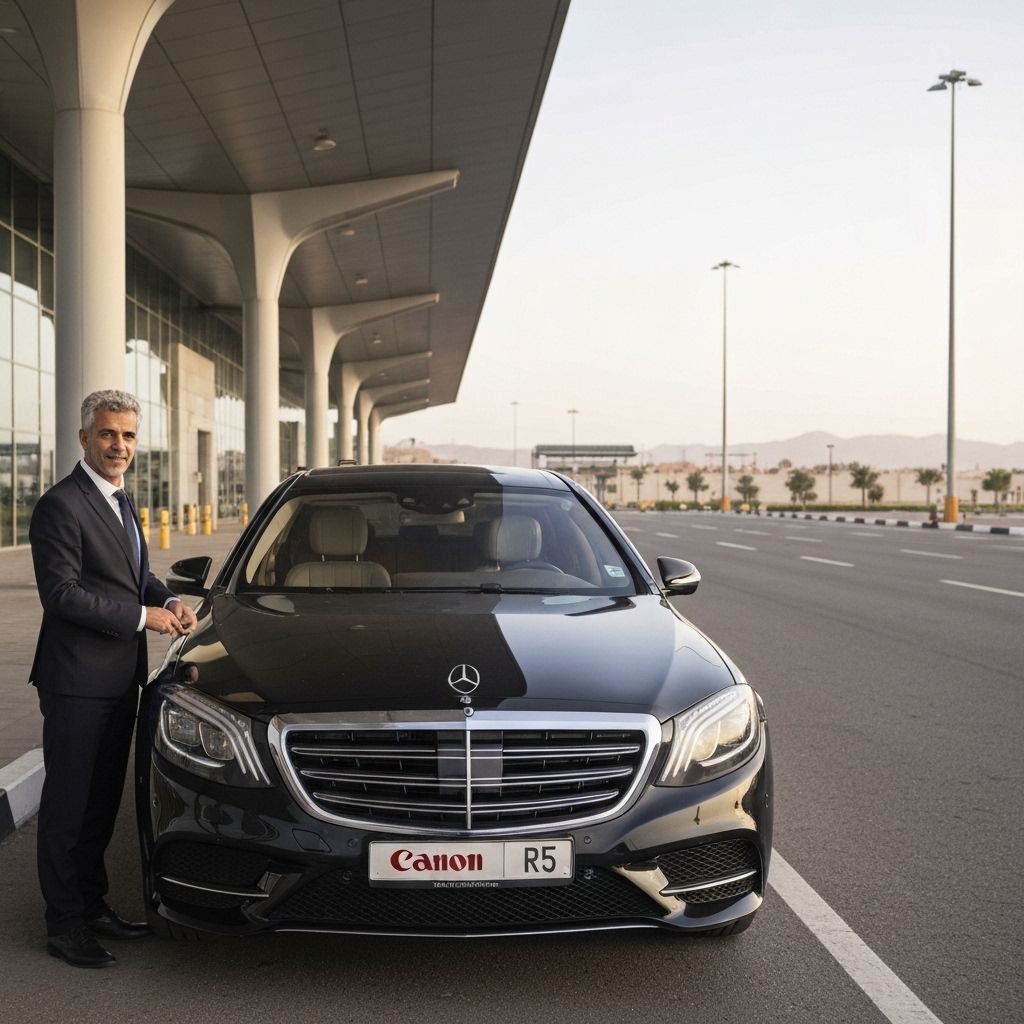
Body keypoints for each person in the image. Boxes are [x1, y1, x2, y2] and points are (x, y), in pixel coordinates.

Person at [29, 389, 197, 968]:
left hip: (120, 679)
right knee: (68, 807)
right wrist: (141, 617)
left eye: (127, 435)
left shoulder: (122, 500)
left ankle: (91, 904)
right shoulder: (61, 504)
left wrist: (168, 599)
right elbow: (61, 594)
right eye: (107, 434)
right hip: (76, 681)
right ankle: (64, 923)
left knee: (100, 803)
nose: (118, 445)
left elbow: (135, 577)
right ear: (84, 438)